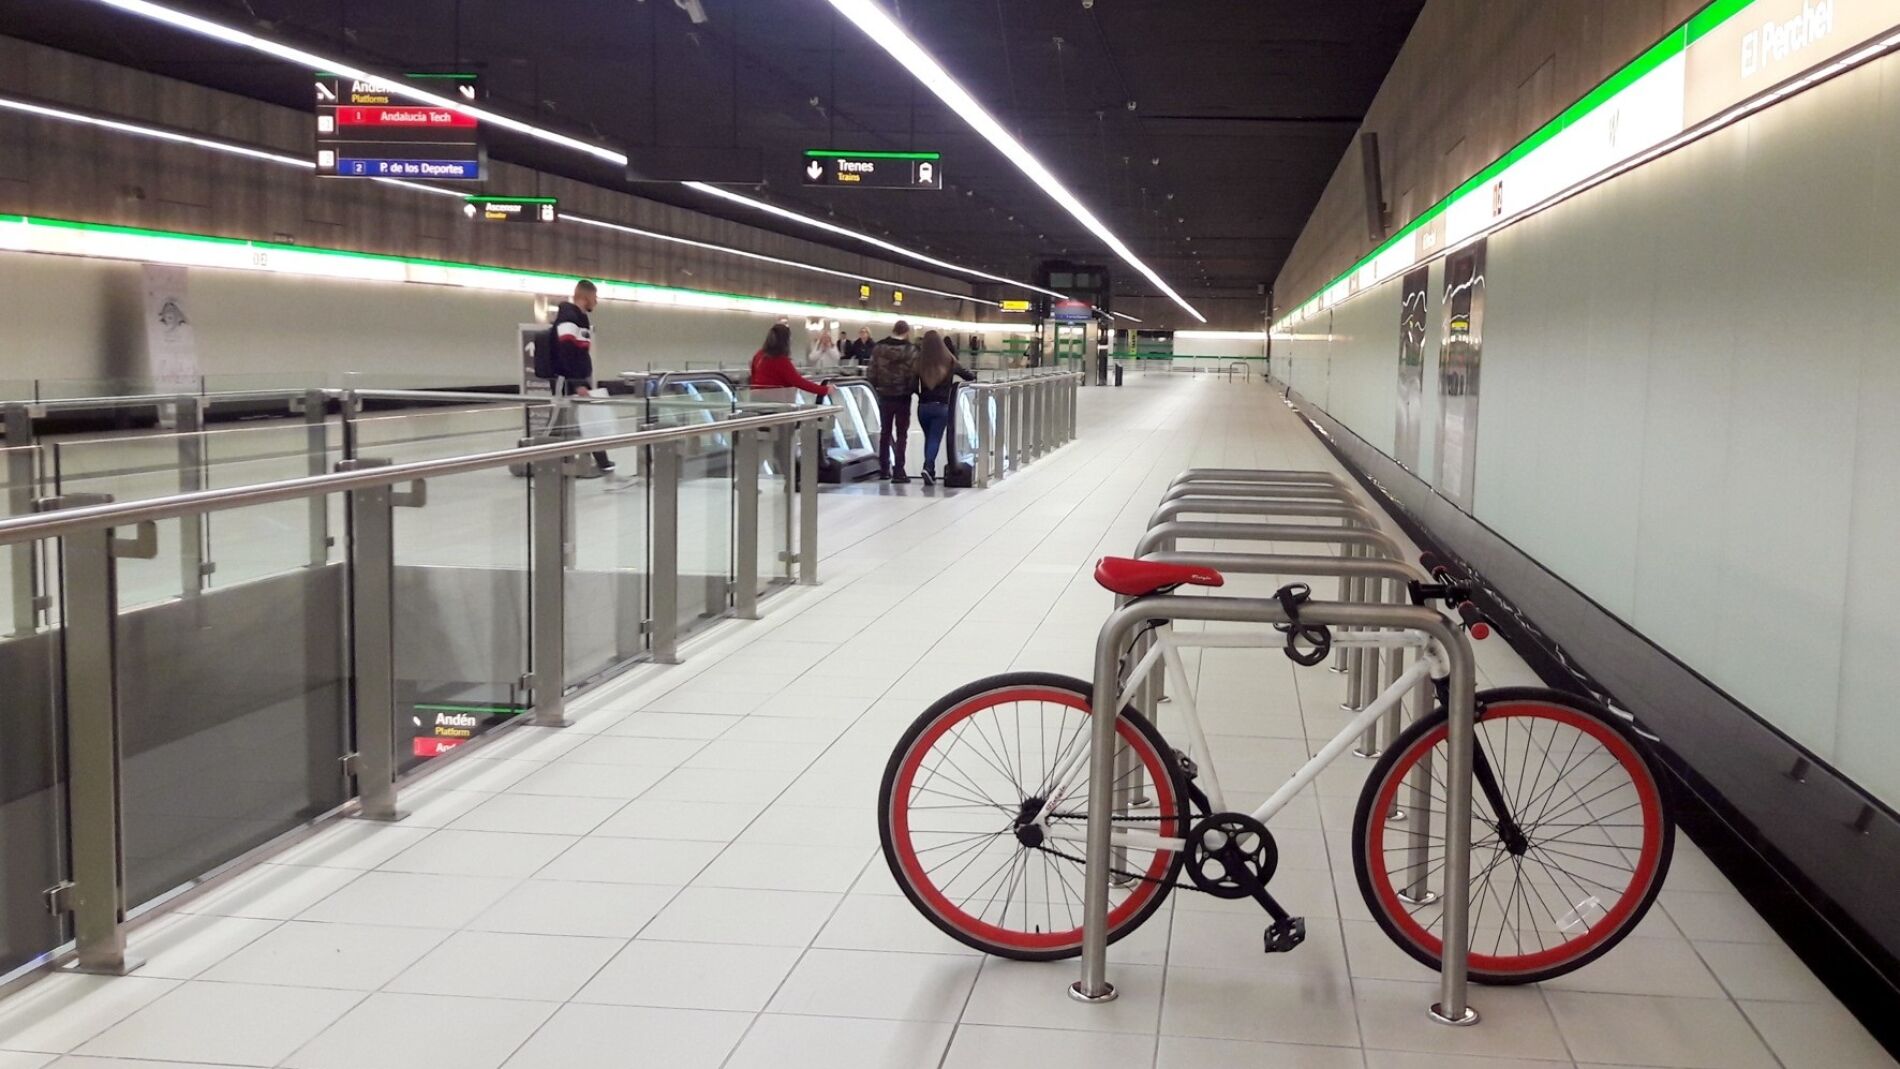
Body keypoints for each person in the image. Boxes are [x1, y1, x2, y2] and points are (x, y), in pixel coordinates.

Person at [550, 279, 614, 476]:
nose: (596, 301)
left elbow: (576, 353)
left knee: (579, 421)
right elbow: (566, 351)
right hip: (569, 380)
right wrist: (578, 383)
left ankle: (602, 461)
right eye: (595, 297)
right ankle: (541, 458)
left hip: (575, 378)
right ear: (585, 297)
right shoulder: (570, 318)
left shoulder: (579, 318)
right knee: (574, 421)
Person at [913, 330, 975, 486]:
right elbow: (968, 376)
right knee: (934, 438)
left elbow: (911, 384)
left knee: (930, 438)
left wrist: (920, 395)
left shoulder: (919, 361)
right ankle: (928, 467)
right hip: (942, 406)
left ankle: (930, 470)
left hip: (923, 407)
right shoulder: (950, 360)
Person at [867, 320, 918, 482]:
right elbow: (914, 374)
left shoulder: (879, 348)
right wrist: (911, 390)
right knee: (902, 434)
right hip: (903, 397)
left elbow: (871, 372)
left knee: (885, 432)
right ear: (907, 332)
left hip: (884, 395)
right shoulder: (911, 350)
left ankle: (883, 469)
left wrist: (876, 386)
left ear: (893, 330)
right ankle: (899, 470)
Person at [750, 323, 830, 397]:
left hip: (757, 399)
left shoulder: (759, 354)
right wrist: (824, 390)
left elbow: (753, 375)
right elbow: (798, 381)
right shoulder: (780, 360)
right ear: (785, 341)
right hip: (775, 401)